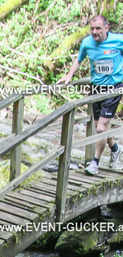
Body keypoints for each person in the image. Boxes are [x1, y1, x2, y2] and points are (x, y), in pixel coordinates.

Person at [58, 14, 123, 175]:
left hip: (114, 88)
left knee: (101, 128)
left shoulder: (118, 40)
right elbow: (79, 60)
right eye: (92, 29)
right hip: (96, 88)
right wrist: (70, 75)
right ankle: (115, 149)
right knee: (100, 127)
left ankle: (95, 162)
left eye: (98, 28)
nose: (94, 32)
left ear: (106, 28)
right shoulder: (87, 42)